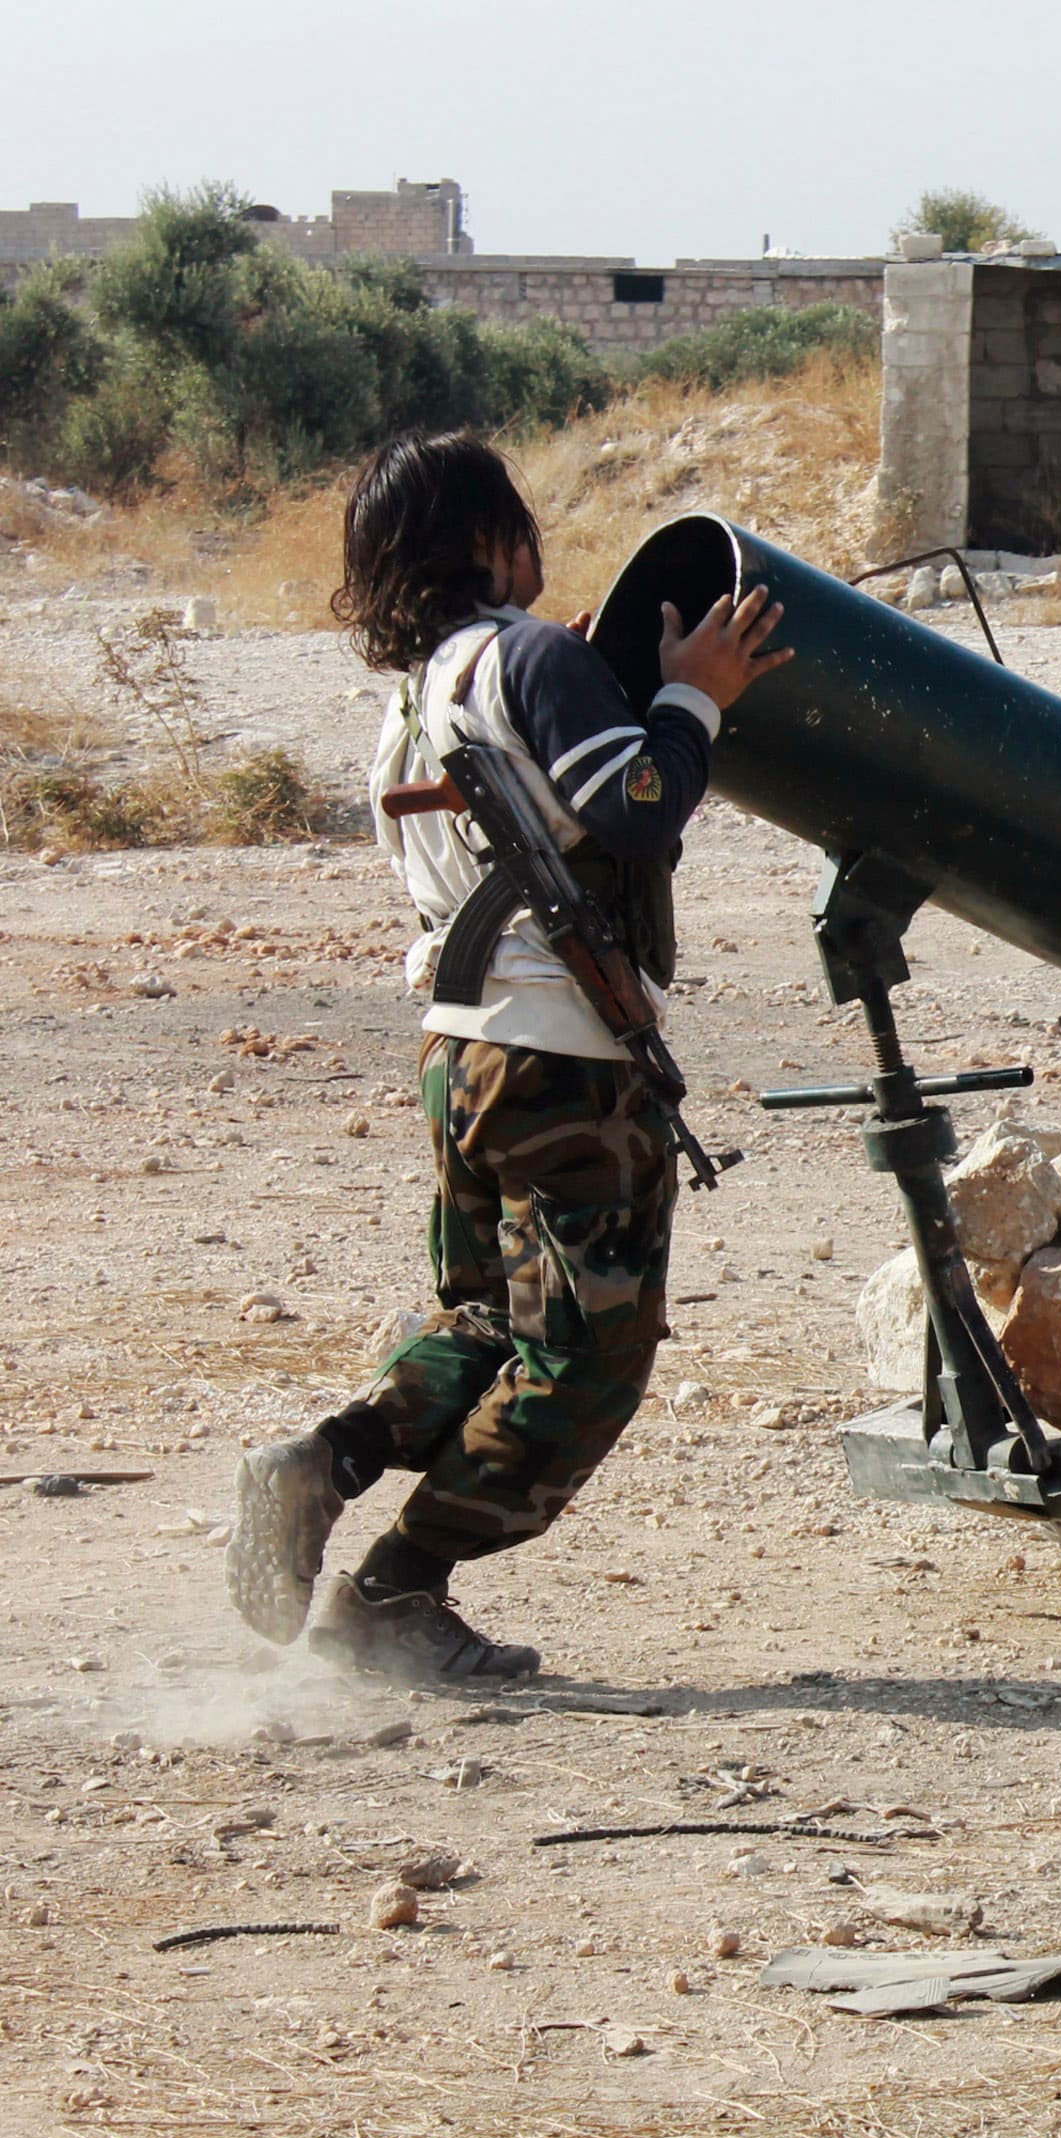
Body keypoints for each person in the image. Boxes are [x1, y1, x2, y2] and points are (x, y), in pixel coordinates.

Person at [225, 431, 788, 1679]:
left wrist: (595, 682)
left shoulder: (424, 688)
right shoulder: (524, 655)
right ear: (488, 539)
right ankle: (393, 1591)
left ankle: (324, 1467)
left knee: (488, 1315)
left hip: (463, 1050)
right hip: (561, 1058)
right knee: (585, 1356)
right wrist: (696, 693)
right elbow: (635, 812)